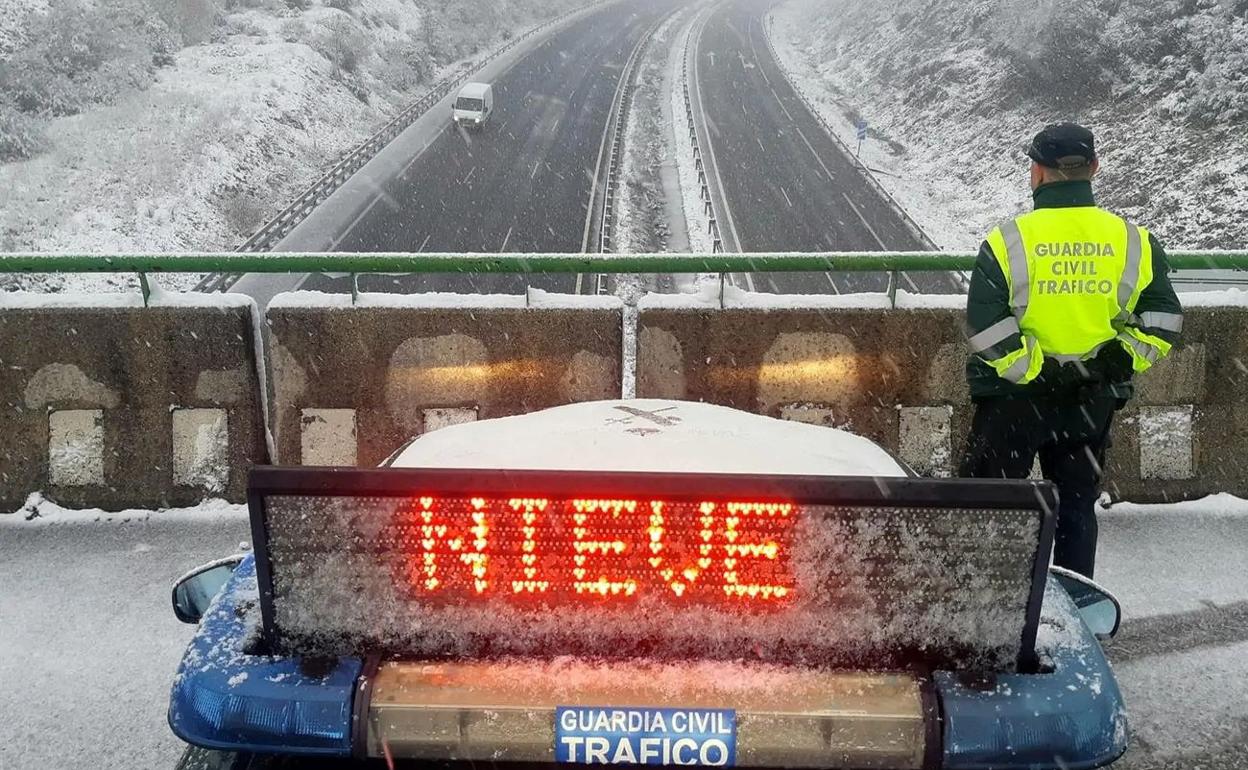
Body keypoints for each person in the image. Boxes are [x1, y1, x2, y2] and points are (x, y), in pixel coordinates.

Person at [959, 123, 1183, 579]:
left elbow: (986, 327)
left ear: (1036, 173)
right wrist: (1115, 360)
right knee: (1076, 510)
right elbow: (1163, 319)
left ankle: (988, 604)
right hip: (1090, 402)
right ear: (1094, 169)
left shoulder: (1007, 240)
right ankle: (1078, 609)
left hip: (1012, 403)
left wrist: (1038, 372)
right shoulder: (1134, 241)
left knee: (993, 506)